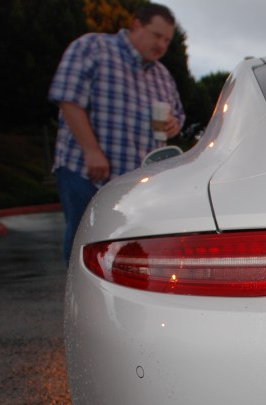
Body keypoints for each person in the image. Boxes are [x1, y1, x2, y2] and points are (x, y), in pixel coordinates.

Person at [49, 3, 185, 264]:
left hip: (134, 184)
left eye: (167, 40)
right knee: (83, 244)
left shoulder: (162, 75)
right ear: (136, 25)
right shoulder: (93, 48)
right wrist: (91, 150)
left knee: (126, 252)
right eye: (157, 35)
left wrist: (173, 125)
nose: (162, 45)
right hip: (86, 171)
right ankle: (80, 302)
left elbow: (177, 115)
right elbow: (68, 100)